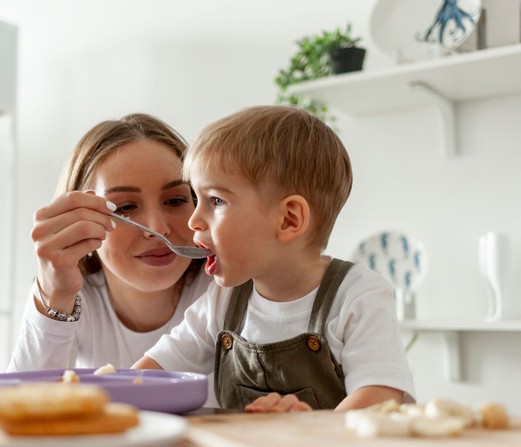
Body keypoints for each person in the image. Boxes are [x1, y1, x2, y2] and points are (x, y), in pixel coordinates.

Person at [133, 105, 415, 413]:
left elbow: (381, 396)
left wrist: (314, 429)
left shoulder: (358, 297)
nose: (194, 221)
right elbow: (151, 375)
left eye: (216, 200)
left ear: (289, 220)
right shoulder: (222, 302)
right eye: (196, 199)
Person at [8, 113, 213, 372]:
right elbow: (23, 403)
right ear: (80, 218)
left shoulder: (226, 288)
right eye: (125, 206)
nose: (157, 228)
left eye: (175, 201)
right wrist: (55, 295)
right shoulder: (73, 297)